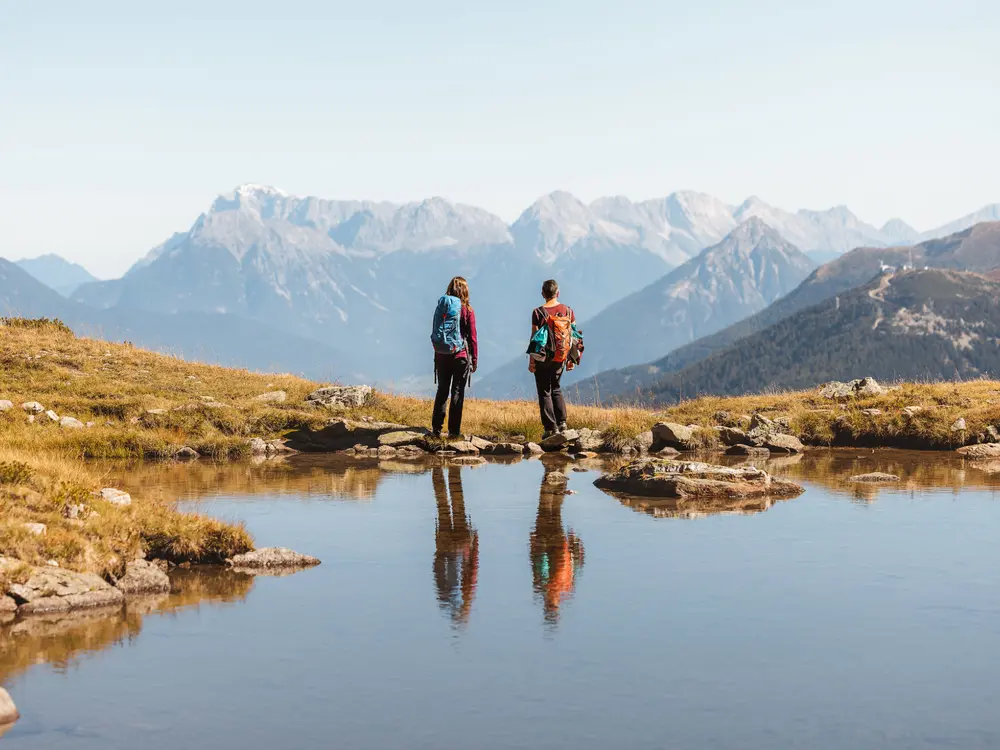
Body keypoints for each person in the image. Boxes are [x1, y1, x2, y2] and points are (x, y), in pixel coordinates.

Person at [432, 276, 478, 438]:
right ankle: (454, 432)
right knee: (457, 391)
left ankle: (436, 429)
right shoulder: (467, 310)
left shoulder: (442, 306)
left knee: (442, 390)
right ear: (465, 291)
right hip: (461, 355)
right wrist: (474, 359)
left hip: (441, 354)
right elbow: (472, 337)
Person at [529, 279, 575, 438]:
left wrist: (532, 361)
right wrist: (571, 358)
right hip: (560, 356)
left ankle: (550, 428)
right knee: (555, 387)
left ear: (543, 294)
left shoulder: (537, 312)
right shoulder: (568, 311)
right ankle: (562, 423)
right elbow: (573, 336)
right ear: (558, 293)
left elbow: (534, 338)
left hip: (542, 357)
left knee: (544, 390)